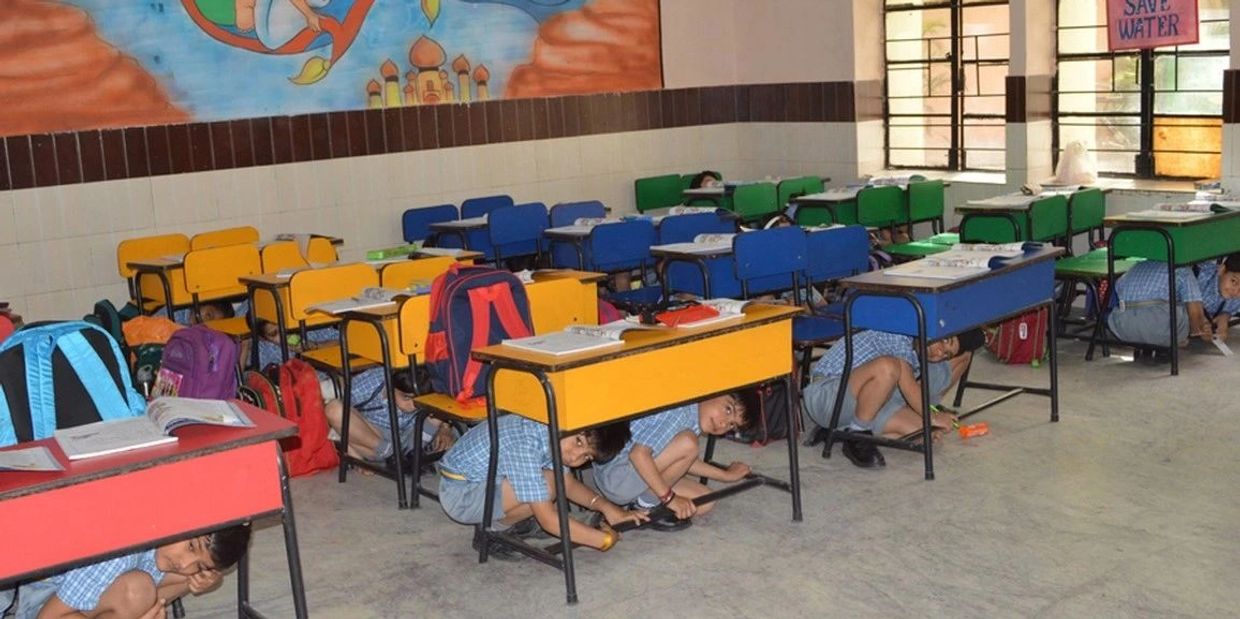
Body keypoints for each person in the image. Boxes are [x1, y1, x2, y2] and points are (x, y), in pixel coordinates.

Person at [437, 416, 646, 558]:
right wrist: (603, 540)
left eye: (587, 456)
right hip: (461, 494)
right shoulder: (526, 444)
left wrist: (608, 508)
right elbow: (549, 520)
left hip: (481, 483)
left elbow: (568, 484)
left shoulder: (552, 426)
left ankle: (519, 521)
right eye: (579, 442)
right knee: (545, 486)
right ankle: (492, 532)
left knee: (550, 482)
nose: (575, 457)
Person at [802, 330, 977, 469]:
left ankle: (840, 431)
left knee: (926, 435)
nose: (939, 353)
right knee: (888, 367)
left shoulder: (918, 353)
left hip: (868, 403)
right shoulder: (899, 333)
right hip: (827, 395)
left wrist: (930, 421)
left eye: (946, 354)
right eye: (945, 341)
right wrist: (933, 416)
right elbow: (907, 383)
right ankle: (857, 434)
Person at [591, 391, 758, 531]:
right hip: (617, 477)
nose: (723, 423)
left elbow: (682, 457)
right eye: (728, 410)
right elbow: (638, 455)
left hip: (634, 472)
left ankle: (634, 506)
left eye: (731, 425)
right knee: (688, 443)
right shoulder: (681, 412)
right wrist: (669, 499)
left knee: (704, 500)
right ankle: (644, 506)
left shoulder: (693, 417)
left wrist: (724, 475)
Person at [14, 525, 250, 619]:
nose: (185, 563)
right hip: (37, 603)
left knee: (176, 580)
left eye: (199, 565)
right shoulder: (120, 553)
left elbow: (179, 575)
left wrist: (198, 581)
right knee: (138, 589)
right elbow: (48, 617)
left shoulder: (161, 550)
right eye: (191, 547)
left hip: (65, 603)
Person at [1107, 255, 1240, 356]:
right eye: (1234, 281)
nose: (1236, 290)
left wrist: (1225, 316)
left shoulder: (1152, 262)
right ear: (1221, 269)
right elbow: (1197, 327)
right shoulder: (1190, 272)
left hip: (1116, 322)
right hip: (1154, 322)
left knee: (1179, 308)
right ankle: (1165, 342)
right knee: (1182, 314)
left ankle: (1156, 342)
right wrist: (1202, 329)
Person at [323, 368, 454, 467]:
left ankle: (408, 454)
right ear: (390, 386)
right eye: (406, 397)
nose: (412, 406)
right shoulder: (372, 382)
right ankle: (390, 453)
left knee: (437, 413)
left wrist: (445, 427)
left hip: (409, 440)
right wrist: (357, 459)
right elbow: (340, 421)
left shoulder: (426, 379)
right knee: (334, 409)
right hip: (374, 438)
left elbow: (444, 401)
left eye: (417, 400)